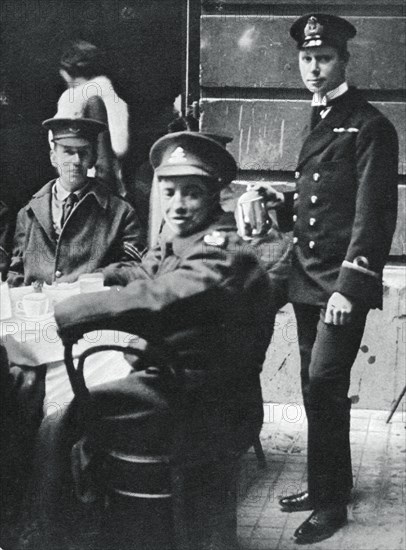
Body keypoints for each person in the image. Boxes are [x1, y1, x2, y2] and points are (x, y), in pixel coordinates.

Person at [16, 131, 274, 549]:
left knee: (59, 422)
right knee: (63, 414)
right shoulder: (179, 238)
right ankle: (81, 523)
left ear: (215, 196)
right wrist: (101, 278)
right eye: (169, 191)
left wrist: (67, 311)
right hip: (174, 380)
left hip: (209, 400)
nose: (177, 204)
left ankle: (53, 533)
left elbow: (159, 297)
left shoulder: (221, 251)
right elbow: (145, 273)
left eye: (191, 193)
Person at [263, 13, 399, 544]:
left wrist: (351, 285)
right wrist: (280, 200)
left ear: (344, 61)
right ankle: (326, 485)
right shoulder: (319, 117)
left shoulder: (370, 126)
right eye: (306, 59)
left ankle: (331, 505)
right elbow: (322, 197)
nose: (313, 68)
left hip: (340, 283)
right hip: (307, 276)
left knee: (324, 382)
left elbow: (373, 214)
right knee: (312, 386)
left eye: (323, 59)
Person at [7, 117, 144, 287]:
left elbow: (135, 269)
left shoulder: (121, 212)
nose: (76, 161)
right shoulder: (29, 212)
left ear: (93, 158)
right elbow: (16, 271)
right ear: (53, 157)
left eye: (83, 152)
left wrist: (97, 280)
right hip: (39, 308)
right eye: (68, 152)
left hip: (91, 308)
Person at [55, 39, 129, 197]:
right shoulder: (114, 98)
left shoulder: (76, 99)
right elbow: (121, 146)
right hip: (112, 180)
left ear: (67, 72)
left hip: (88, 183)